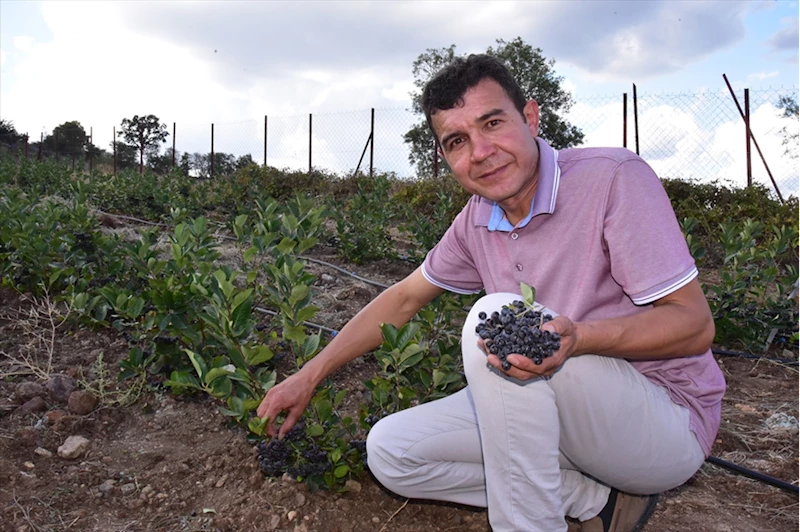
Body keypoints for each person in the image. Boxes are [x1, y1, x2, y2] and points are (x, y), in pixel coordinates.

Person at [257, 54, 725, 532]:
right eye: (458, 141)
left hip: (661, 424)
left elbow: (694, 326)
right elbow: (403, 299)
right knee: (392, 452)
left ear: (531, 117)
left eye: (493, 123)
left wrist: (578, 337)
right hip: (553, 406)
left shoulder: (611, 178)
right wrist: (308, 376)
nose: (480, 152)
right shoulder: (476, 220)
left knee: (498, 316)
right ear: (445, 158)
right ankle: (596, 502)